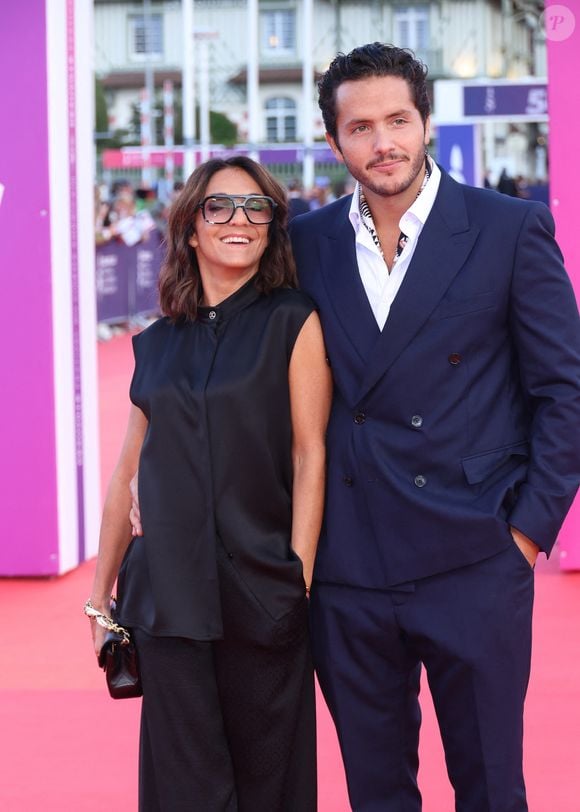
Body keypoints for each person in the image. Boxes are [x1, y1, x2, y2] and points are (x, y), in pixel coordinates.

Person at [289, 43, 580, 811]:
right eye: (361, 127)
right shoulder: (306, 244)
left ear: (426, 124)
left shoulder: (507, 228)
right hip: (348, 570)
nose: (383, 142)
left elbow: (565, 390)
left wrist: (525, 533)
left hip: (474, 555)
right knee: (376, 793)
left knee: (490, 788)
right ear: (334, 141)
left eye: (397, 121)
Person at [86, 156, 332, 811]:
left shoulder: (293, 320)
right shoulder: (156, 343)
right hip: (167, 599)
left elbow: (312, 453)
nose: (240, 220)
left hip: (263, 593)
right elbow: (126, 472)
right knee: (185, 789)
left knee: (267, 786)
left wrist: (298, 574)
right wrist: (97, 597)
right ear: (191, 226)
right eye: (220, 206)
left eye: (258, 209)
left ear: (273, 228)